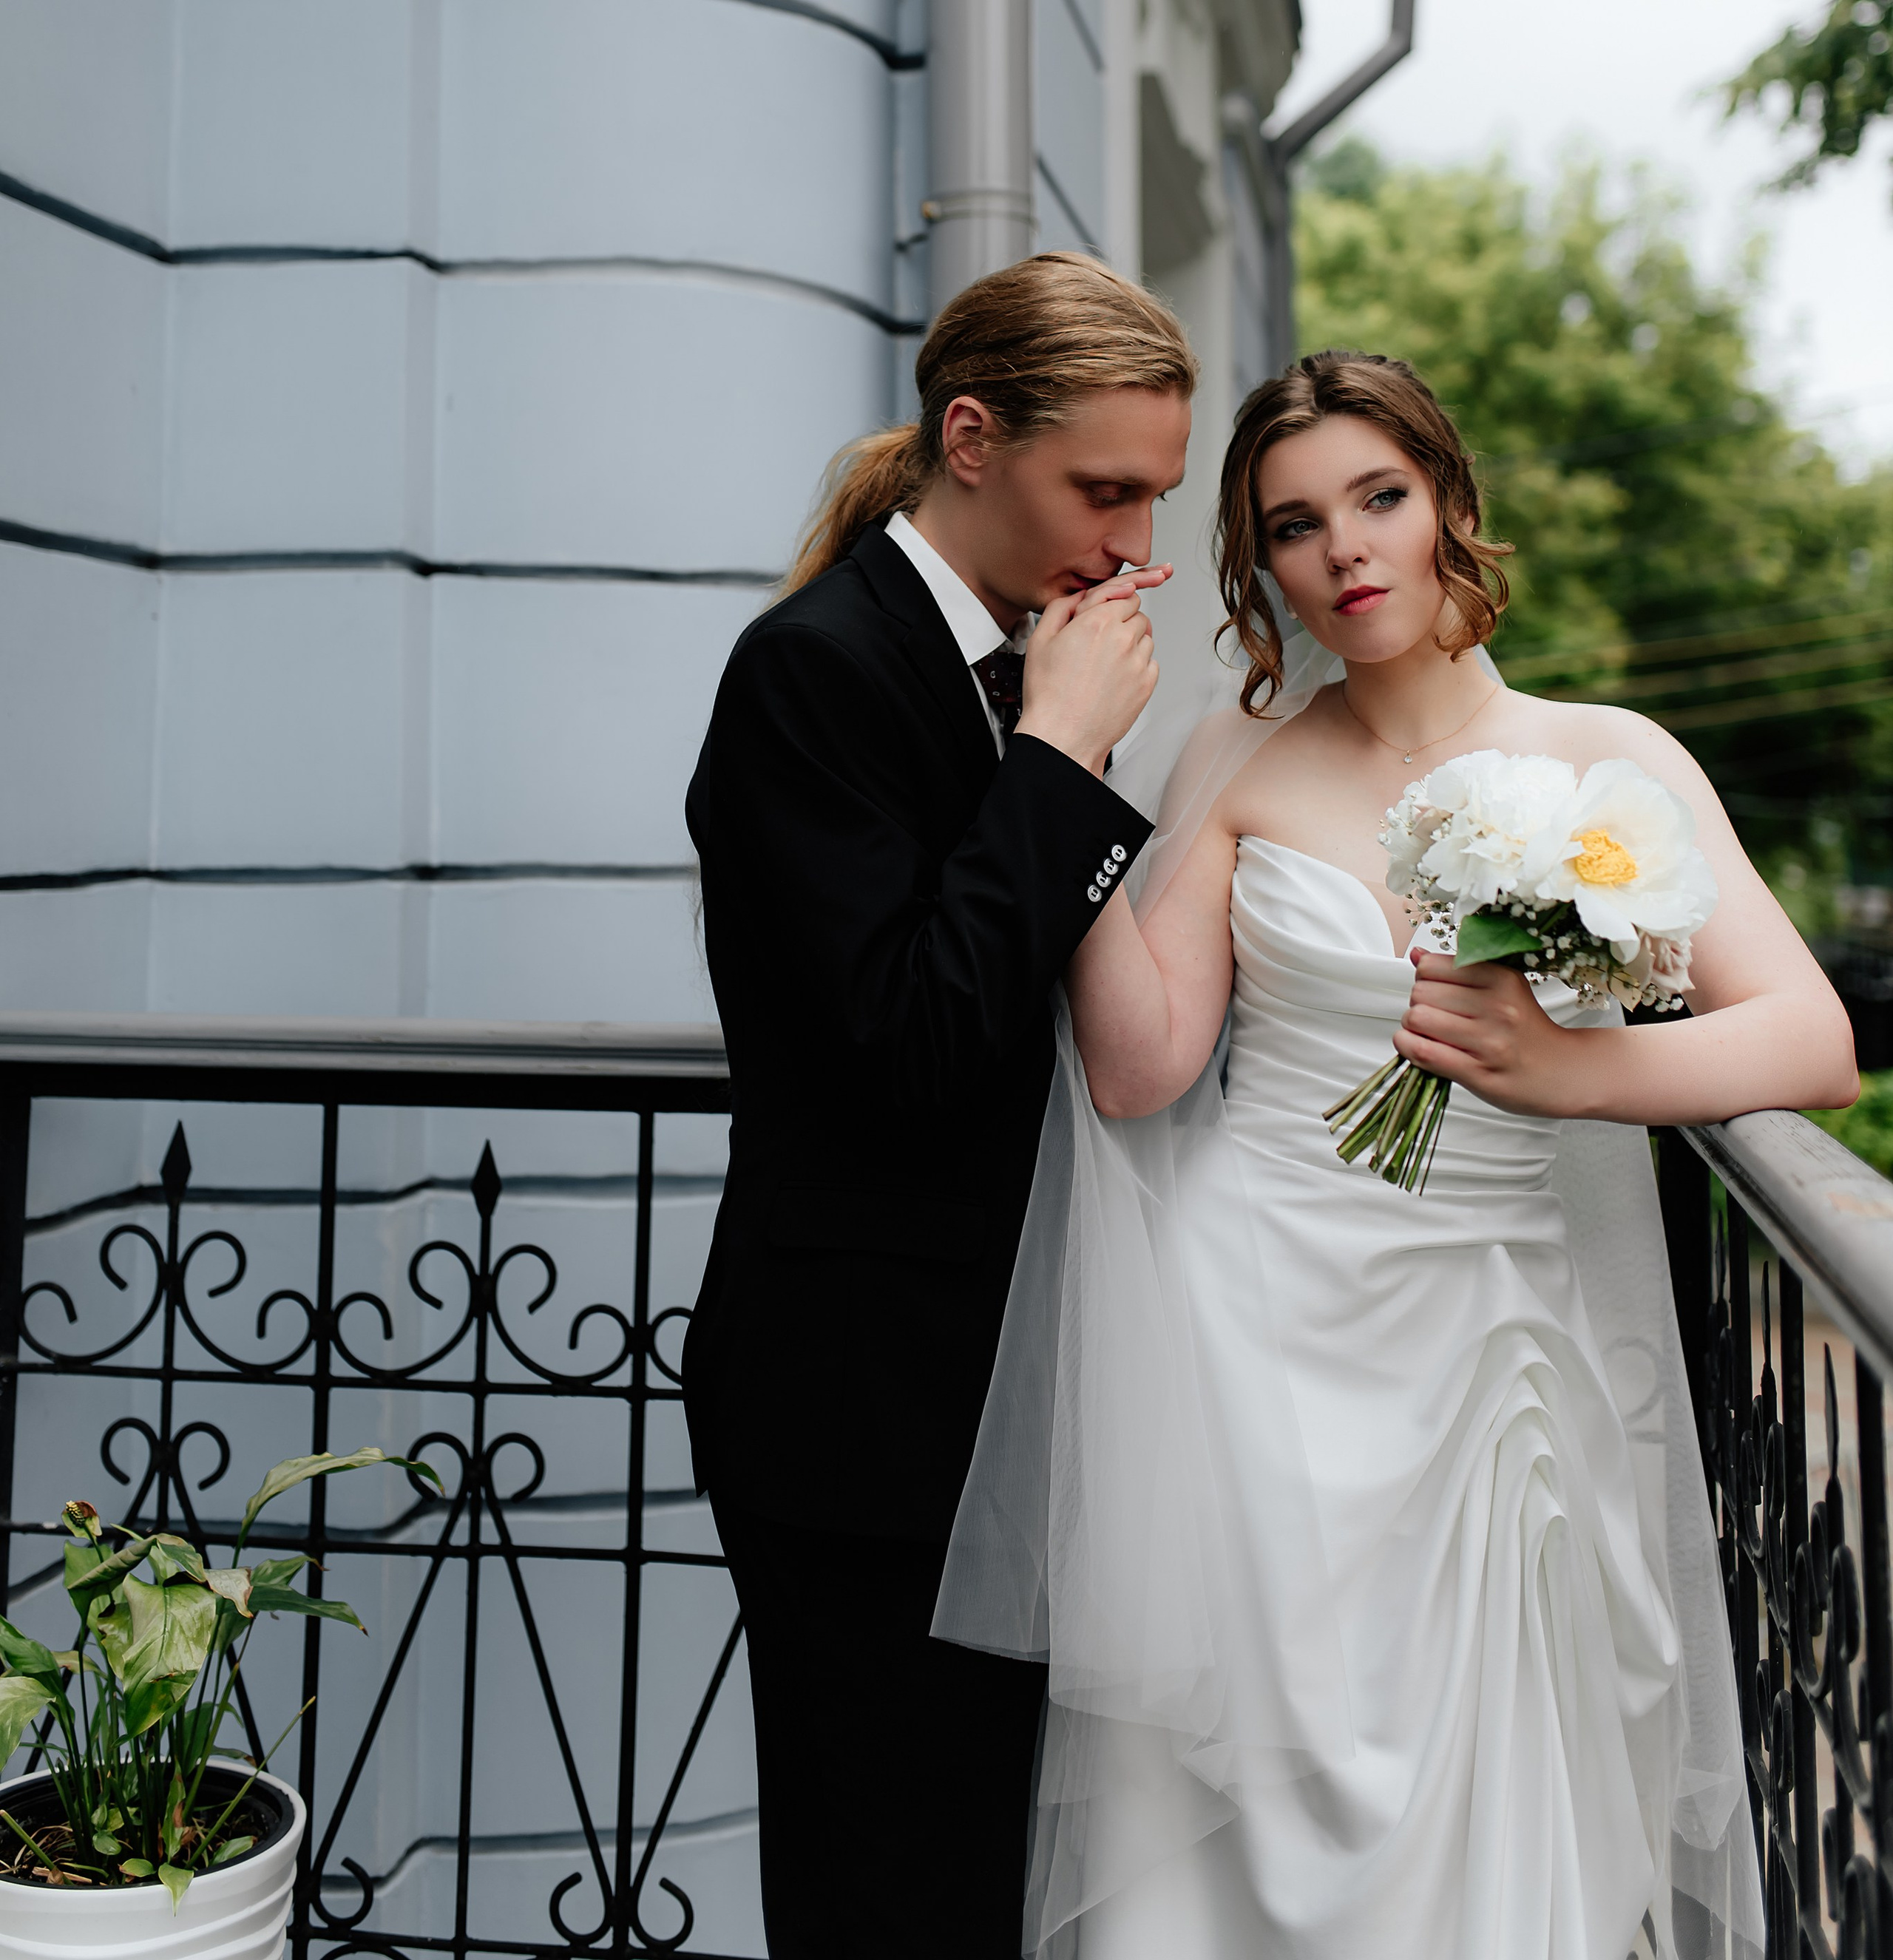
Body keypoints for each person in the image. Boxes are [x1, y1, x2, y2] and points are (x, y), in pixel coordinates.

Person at [938, 348, 1855, 1960]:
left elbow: (1811, 1041)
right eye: (1294, 526)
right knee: (1230, 1854)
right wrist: (1066, 778)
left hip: (1498, 1347)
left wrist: (1572, 1070)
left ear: (1448, 504)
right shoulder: (1234, 759)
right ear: (1263, 566)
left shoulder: (1608, 759)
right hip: (1250, 1351)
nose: (1344, 551)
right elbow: (1141, 1068)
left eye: (1379, 498)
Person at [683, 251, 1197, 1960]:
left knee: (986, 1899)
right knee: (888, 1910)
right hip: (863, 1427)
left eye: (1154, 495)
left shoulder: (1015, 661)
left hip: (1006, 1413)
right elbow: (910, 1041)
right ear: (969, 439)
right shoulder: (813, 671)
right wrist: (1058, 757)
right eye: (1100, 489)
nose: (1132, 543)